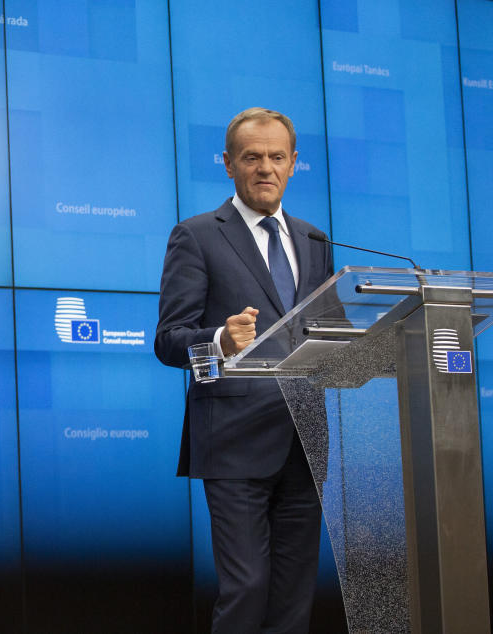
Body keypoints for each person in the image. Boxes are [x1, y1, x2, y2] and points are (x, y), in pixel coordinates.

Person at [154, 107, 335, 633]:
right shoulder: (197, 236)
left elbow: (331, 331)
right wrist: (217, 338)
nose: (265, 168)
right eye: (251, 157)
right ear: (228, 164)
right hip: (233, 443)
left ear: (294, 164)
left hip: (305, 441)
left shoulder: (315, 241)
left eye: (277, 157)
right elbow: (168, 341)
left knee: (292, 598)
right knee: (248, 588)